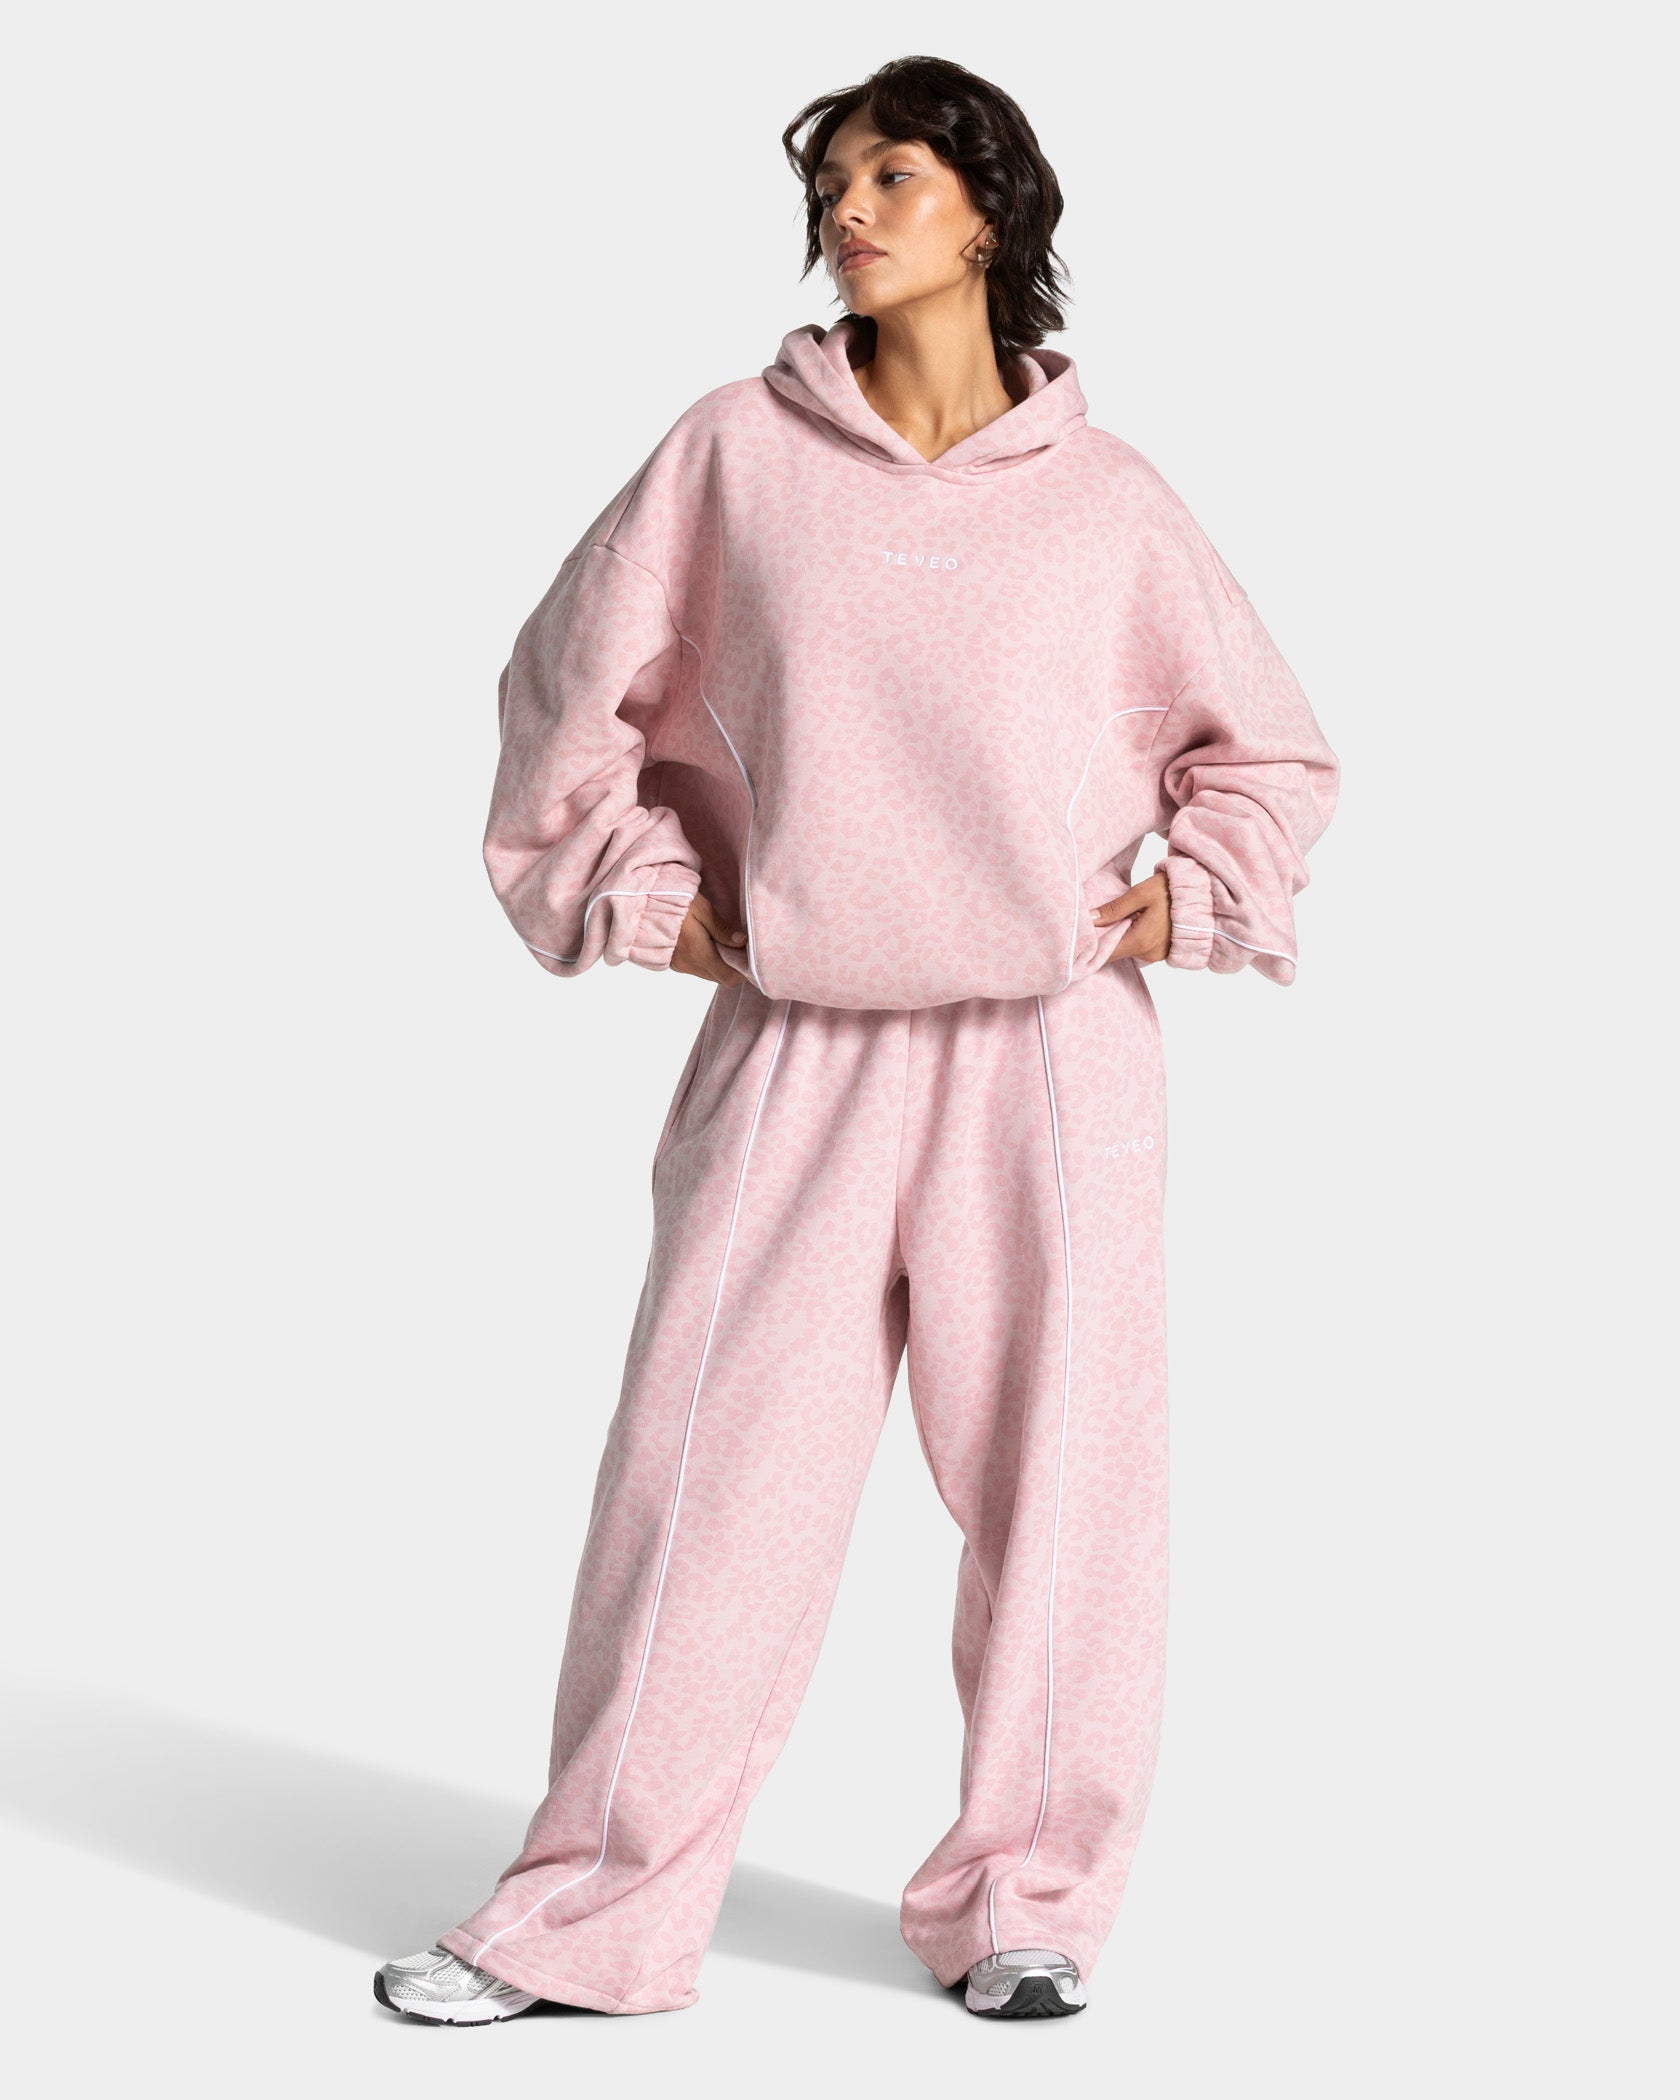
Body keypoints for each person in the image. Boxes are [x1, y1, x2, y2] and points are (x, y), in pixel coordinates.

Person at [374, 52, 1338, 2027]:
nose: (849, 208)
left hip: (1052, 1052)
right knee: (702, 1487)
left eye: (893, 174)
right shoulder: (734, 454)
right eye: (834, 179)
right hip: (797, 1042)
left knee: (1067, 1494)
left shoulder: (1112, 505)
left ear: (989, 209)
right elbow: (562, 690)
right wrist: (645, 896)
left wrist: (1195, 895)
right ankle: (591, 1917)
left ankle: (1028, 1905)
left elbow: (1270, 747)